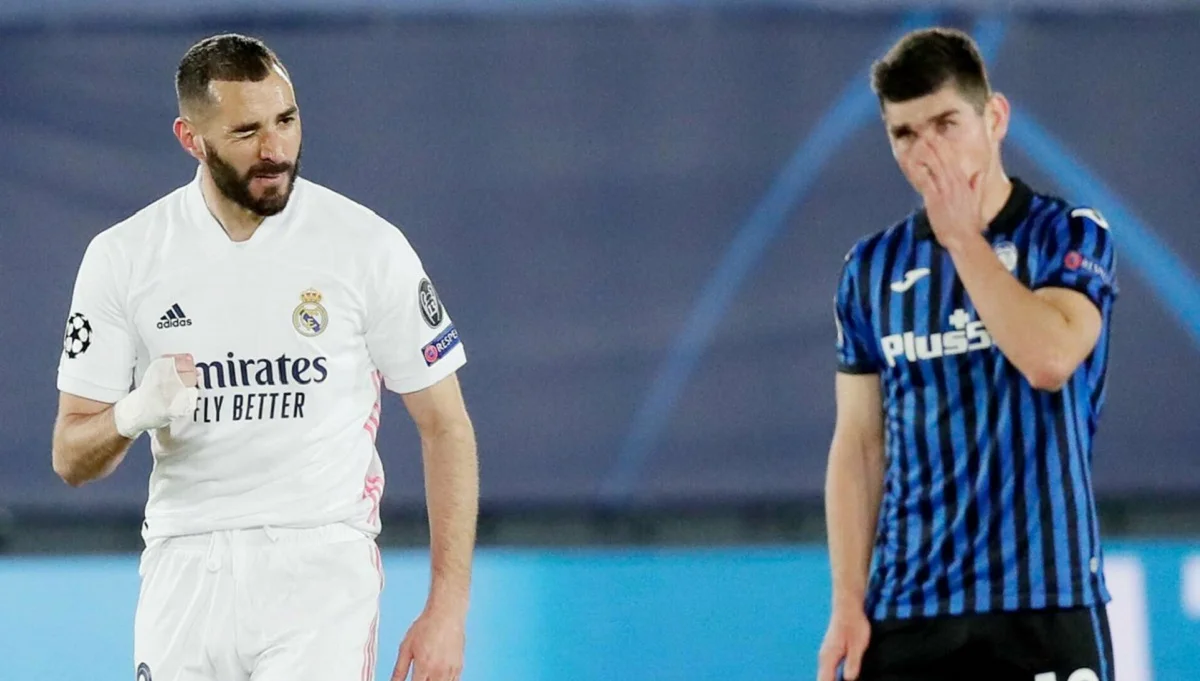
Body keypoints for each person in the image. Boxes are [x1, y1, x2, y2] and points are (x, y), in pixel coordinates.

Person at [51, 33, 477, 681]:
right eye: (246, 132)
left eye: (286, 120)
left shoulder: (366, 246)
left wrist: (447, 607)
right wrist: (135, 412)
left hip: (318, 565)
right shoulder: (124, 256)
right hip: (183, 567)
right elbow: (70, 455)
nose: (274, 149)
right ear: (191, 139)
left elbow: (446, 423)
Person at [817, 27, 1118, 681]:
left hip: (1045, 604)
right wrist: (847, 600)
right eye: (905, 134)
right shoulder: (871, 269)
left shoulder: (1068, 235)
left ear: (995, 118)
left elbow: (1049, 359)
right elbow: (860, 443)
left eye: (946, 124)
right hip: (909, 609)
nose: (928, 152)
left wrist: (963, 241)